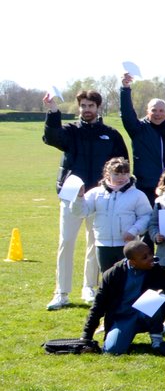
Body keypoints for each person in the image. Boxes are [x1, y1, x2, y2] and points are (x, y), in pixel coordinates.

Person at [43, 89, 129, 309]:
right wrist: (53, 111)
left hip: (99, 196)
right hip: (72, 195)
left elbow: (123, 166)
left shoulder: (111, 134)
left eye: (91, 106)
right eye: (83, 106)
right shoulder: (70, 131)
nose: (87, 110)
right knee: (66, 242)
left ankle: (88, 287)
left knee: (94, 244)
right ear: (79, 107)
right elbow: (52, 137)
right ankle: (61, 292)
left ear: (98, 107)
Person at [79, 240, 165, 355]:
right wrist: (86, 336)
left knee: (155, 298)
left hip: (145, 314)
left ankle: (157, 339)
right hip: (123, 318)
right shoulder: (112, 275)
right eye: (145, 257)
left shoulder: (156, 270)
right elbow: (98, 306)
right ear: (132, 262)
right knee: (112, 350)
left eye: (150, 253)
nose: (151, 258)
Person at [70, 157, 153, 274]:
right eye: (117, 174)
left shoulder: (137, 195)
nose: (121, 177)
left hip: (127, 245)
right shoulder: (96, 193)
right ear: (107, 174)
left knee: (126, 276)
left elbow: (146, 216)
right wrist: (79, 198)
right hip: (103, 244)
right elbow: (81, 212)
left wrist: (133, 231)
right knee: (107, 276)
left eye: (125, 174)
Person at [119, 72, 165, 204]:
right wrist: (125, 89)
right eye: (154, 110)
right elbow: (127, 114)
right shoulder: (138, 129)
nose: (157, 114)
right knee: (148, 222)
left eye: (161, 111)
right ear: (147, 111)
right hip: (146, 187)